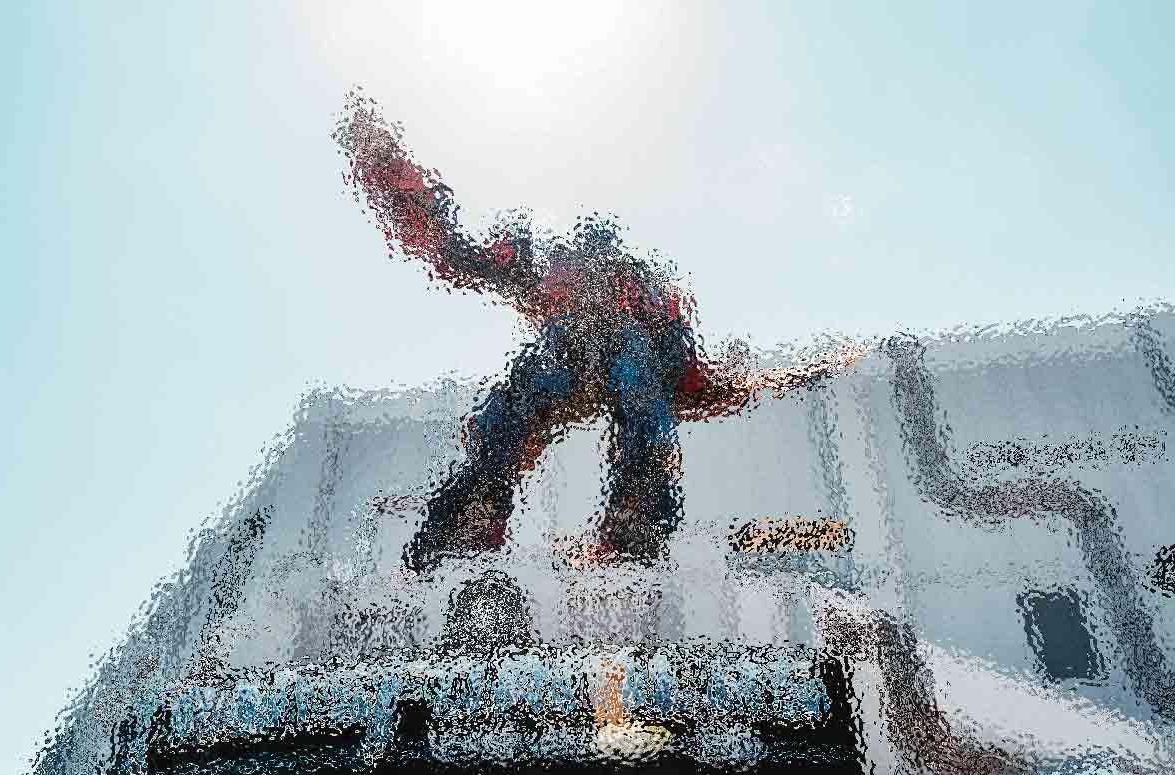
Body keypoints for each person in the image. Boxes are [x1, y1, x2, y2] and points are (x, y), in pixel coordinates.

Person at [334, 91, 865, 574]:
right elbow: (460, 255)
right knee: (525, 407)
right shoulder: (571, 297)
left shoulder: (634, 320)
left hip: (620, 359)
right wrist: (387, 170)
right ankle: (474, 524)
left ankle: (619, 528)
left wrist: (807, 370)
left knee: (608, 387)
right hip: (586, 358)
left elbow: (464, 257)